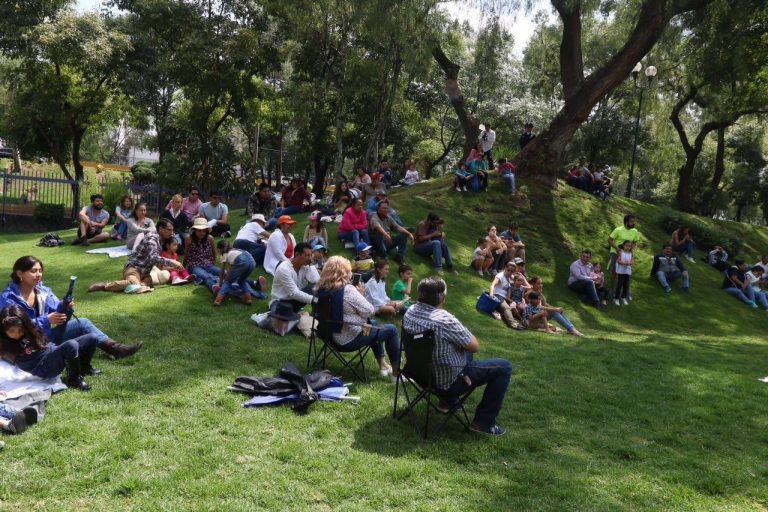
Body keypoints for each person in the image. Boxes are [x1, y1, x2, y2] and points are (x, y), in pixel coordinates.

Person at [403, 276, 512, 436]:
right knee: (504, 367)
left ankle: (447, 402)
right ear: (442, 297)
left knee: (461, 347)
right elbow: (475, 346)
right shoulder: (444, 320)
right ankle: (483, 423)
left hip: (418, 374)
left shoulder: (410, 312)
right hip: (446, 382)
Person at [1, 256, 142, 360]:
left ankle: (116, 349)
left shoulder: (43, 291)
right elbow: (11, 328)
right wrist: (47, 320)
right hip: (23, 344)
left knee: (83, 322)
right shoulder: (9, 297)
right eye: (33, 271)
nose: (38, 275)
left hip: (45, 336)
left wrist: (65, 307)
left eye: (40, 270)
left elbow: (61, 317)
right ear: (20, 274)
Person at [315, 256, 400, 378]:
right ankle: (396, 375)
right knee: (391, 329)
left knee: (373, 324)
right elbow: (369, 310)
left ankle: (383, 365)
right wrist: (360, 295)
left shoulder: (322, 289)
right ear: (345, 271)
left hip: (329, 336)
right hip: (350, 339)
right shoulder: (347, 290)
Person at [0, 305, 96, 391]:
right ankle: (74, 380)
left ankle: (84, 367)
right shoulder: (4, 343)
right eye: (11, 331)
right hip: (42, 367)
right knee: (71, 345)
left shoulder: (30, 329)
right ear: (4, 330)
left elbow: (44, 342)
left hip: (49, 352)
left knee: (92, 338)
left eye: (20, 330)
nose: (17, 334)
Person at [89, 218, 184, 293]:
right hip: (134, 268)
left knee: (154, 280)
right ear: (160, 229)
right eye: (169, 230)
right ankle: (105, 285)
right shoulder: (152, 239)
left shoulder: (162, 240)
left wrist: (169, 267)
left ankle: (138, 286)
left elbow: (156, 262)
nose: (172, 232)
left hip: (146, 272)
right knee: (133, 282)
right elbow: (154, 258)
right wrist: (172, 261)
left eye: (172, 230)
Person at [269, 242, 318, 314]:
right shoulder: (284, 268)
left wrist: (311, 265)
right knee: (284, 319)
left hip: (295, 300)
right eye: (307, 255)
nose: (310, 258)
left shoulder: (305, 266)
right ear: (297, 254)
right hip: (280, 301)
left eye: (311, 255)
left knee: (315, 287)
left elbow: (316, 281)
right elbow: (293, 293)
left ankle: (315, 315)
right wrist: (315, 300)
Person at [214, 240, 258, 306]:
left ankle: (218, 300)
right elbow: (232, 267)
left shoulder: (224, 254)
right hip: (252, 262)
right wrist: (229, 275)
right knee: (241, 281)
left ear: (220, 249)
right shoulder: (236, 250)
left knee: (228, 282)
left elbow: (222, 271)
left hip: (242, 262)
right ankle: (248, 299)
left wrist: (220, 283)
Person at [369, 200, 414, 264]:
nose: (386, 210)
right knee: (379, 235)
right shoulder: (374, 217)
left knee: (403, 236)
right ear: (378, 209)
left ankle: (399, 257)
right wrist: (386, 235)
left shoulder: (388, 217)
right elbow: (378, 227)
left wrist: (409, 233)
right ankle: (384, 257)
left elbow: (397, 227)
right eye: (384, 208)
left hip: (387, 241)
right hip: (378, 243)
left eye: (387, 208)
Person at [608, 214, 640, 292]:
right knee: (615, 271)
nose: (633, 223)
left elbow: (635, 241)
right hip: (616, 252)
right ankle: (613, 289)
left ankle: (625, 291)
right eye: (631, 222)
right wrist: (617, 248)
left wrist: (631, 248)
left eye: (634, 221)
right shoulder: (618, 230)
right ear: (626, 222)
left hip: (627, 254)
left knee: (626, 273)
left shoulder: (634, 231)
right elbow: (609, 240)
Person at [489, 262, 523, 330]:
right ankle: (512, 324)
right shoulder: (500, 276)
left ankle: (522, 321)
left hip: (506, 298)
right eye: (508, 270)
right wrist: (491, 294)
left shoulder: (509, 277)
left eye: (512, 271)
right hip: (497, 296)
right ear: (505, 268)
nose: (509, 272)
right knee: (506, 307)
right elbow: (493, 285)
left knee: (516, 307)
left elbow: (520, 281)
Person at [613, 240, 634, 306]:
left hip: (627, 271)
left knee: (626, 285)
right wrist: (624, 263)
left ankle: (623, 297)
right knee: (620, 284)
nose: (628, 247)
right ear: (623, 246)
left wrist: (629, 263)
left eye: (629, 246)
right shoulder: (620, 252)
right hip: (621, 271)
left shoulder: (631, 253)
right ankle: (616, 298)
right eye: (626, 245)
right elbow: (618, 261)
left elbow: (632, 261)